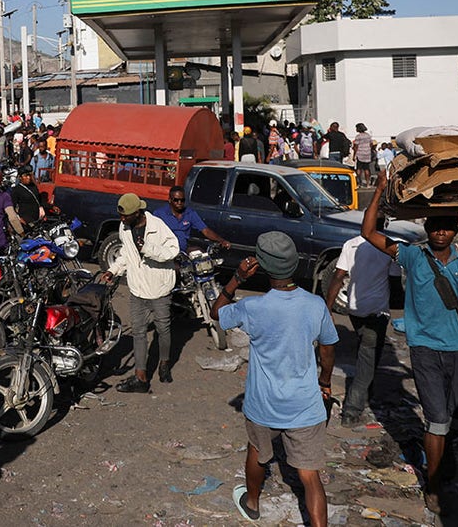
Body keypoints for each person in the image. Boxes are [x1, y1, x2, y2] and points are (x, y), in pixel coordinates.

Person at [361, 171, 458, 513]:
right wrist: (377, 192)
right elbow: (368, 233)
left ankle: (441, 459)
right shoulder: (413, 256)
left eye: (446, 227)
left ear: (456, 230)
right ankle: (433, 486)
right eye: (434, 227)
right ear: (426, 228)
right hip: (424, 349)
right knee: (436, 420)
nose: (440, 232)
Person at [211, 236, 338, 526]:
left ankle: (252, 502)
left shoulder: (254, 307)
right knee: (310, 475)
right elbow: (328, 348)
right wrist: (325, 382)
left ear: (262, 266)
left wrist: (236, 278)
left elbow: (216, 312)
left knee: (257, 452)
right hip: (304, 404)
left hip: (263, 403)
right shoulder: (316, 305)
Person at [103, 193, 180, 392]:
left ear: (137, 213)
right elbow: (126, 254)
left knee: (163, 329)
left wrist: (148, 248)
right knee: (139, 332)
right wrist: (114, 270)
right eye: (120, 215)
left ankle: (164, 363)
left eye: (125, 216)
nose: (122, 219)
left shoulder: (158, 226)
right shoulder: (124, 227)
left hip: (160, 287)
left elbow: (173, 250)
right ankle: (141, 377)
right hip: (137, 287)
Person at [324, 234, 400, 427]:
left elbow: (338, 276)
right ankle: (351, 410)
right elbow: (395, 281)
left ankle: (367, 393)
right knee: (369, 355)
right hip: (377, 311)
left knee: (366, 351)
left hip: (355, 309)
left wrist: (328, 307)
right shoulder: (389, 247)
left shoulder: (351, 244)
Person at [151, 185, 230, 253]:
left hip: (183, 250)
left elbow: (205, 230)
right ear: (170, 200)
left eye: (182, 200)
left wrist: (221, 240)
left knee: (202, 256)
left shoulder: (190, 213)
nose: (179, 202)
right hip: (166, 250)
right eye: (176, 200)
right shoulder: (159, 214)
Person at [352, 123, 375, 187]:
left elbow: (356, 146)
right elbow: (371, 144)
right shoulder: (368, 135)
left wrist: (354, 156)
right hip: (367, 154)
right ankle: (368, 183)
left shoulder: (358, 136)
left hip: (360, 154)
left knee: (359, 169)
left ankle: (359, 183)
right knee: (366, 169)